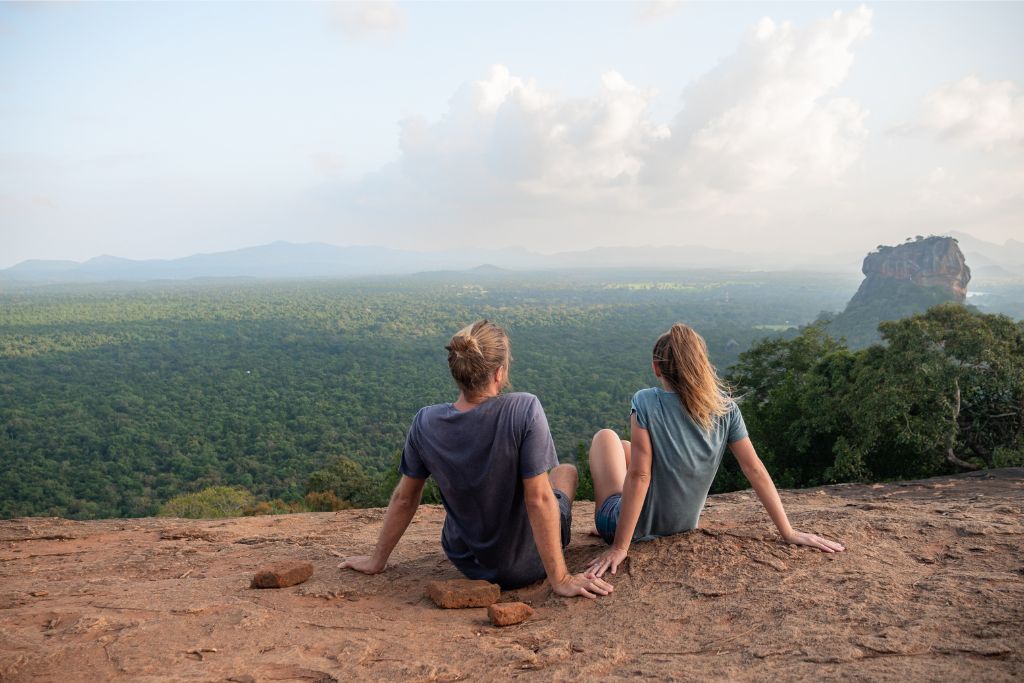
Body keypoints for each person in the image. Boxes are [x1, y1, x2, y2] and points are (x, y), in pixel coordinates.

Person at [340, 320, 613, 599]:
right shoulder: (524, 409)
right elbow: (538, 499)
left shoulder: (425, 422)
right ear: (499, 373)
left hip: (468, 562)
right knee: (565, 472)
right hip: (528, 566)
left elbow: (405, 499)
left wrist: (377, 560)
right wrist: (561, 579)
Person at [585, 323, 844, 578]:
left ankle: (608, 520)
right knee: (626, 448)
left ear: (656, 368)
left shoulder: (645, 400)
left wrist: (620, 545)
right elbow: (754, 469)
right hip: (682, 526)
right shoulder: (725, 409)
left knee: (606, 438)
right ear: (700, 365)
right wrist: (788, 532)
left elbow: (641, 475)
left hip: (630, 530)